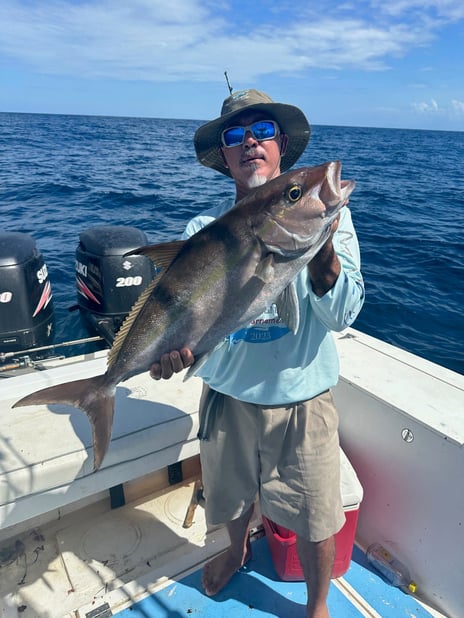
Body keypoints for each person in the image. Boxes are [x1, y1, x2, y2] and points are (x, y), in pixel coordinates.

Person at [150, 89, 365, 618]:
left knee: (317, 516)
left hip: (303, 398)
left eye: (263, 131)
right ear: (223, 156)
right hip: (228, 393)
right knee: (229, 497)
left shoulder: (327, 216)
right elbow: (187, 325)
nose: (250, 142)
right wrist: (172, 354)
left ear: (281, 146)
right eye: (235, 135)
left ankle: (317, 604)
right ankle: (237, 549)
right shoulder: (203, 232)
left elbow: (343, 316)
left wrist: (323, 251)